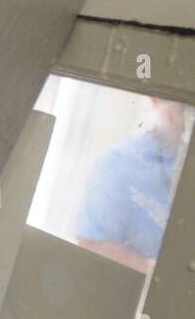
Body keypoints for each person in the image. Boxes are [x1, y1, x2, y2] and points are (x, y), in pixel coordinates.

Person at [75, 96, 189, 274]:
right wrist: (157, 273)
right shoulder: (116, 165)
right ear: (155, 100)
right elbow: (92, 244)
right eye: (183, 104)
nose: (188, 116)